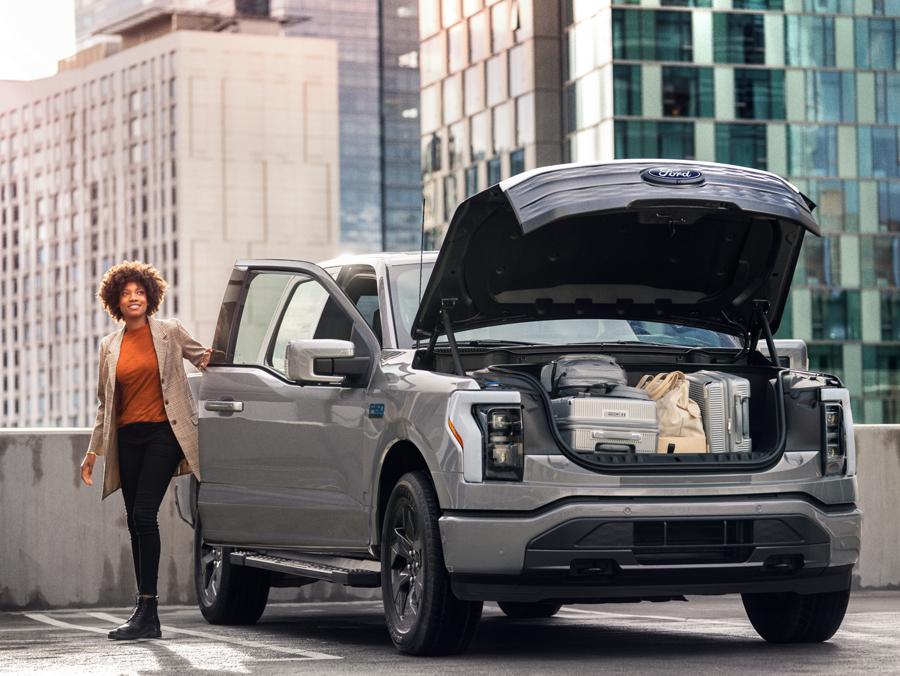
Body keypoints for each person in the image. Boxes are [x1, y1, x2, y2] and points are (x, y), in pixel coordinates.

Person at [80, 261, 211, 640]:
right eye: (126, 293)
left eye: (139, 292)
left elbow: (201, 357)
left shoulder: (169, 332)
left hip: (164, 435)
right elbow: (105, 404)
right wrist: (93, 452)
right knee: (135, 523)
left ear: (149, 296)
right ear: (115, 302)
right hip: (128, 438)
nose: (133, 297)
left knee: (143, 514)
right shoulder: (109, 346)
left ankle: (148, 609)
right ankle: (145, 612)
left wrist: (228, 363)